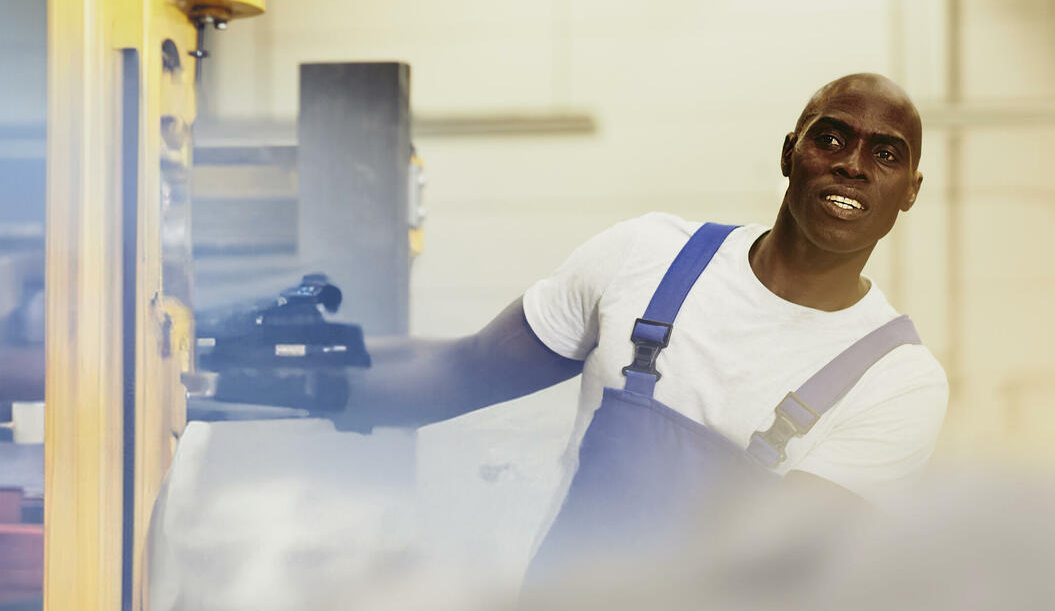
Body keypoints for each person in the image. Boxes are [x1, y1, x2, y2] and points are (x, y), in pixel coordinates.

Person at [344, 72, 948, 563]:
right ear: (790, 153)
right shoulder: (648, 257)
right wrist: (299, 376)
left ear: (910, 189)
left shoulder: (898, 381)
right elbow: (463, 370)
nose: (853, 165)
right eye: (832, 139)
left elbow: (780, 573)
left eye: (885, 154)